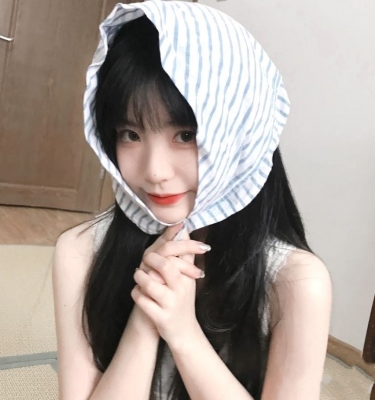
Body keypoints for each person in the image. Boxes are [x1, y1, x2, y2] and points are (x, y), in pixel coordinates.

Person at [52, 1, 332, 399]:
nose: (155, 171)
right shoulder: (80, 252)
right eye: (130, 134)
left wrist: (183, 334)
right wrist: (144, 319)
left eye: (185, 135)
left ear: (241, 131)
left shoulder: (296, 282)